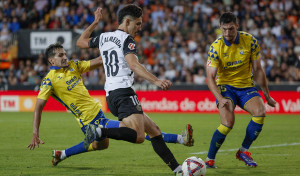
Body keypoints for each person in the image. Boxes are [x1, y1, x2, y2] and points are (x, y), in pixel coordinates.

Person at [27, 43, 194, 167]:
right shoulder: (49, 80)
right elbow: (38, 107)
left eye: (64, 53)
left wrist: (116, 50)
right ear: (51, 60)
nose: (64, 57)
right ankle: (180, 139)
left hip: (98, 114)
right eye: (60, 55)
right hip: (88, 121)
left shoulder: (73, 66)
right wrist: (35, 132)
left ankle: (61, 154)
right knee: (135, 131)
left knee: (105, 143)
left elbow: (99, 60)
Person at [76, 5, 187, 175]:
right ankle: (99, 131)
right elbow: (133, 64)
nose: (140, 28)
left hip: (111, 95)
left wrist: (95, 22)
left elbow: (81, 42)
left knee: (155, 131)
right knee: (139, 136)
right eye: (138, 23)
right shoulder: (127, 40)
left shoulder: (104, 37)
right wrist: (156, 81)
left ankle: (178, 170)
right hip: (124, 93)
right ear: (127, 21)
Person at [205, 12, 277, 168]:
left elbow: (258, 70)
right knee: (228, 123)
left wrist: (267, 96)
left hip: (245, 86)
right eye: (224, 29)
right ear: (220, 28)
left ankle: (243, 151)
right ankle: (210, 159)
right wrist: (220, 98)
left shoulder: (250, 41)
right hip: (225, 87)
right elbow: (210, 78)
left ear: (237, 26)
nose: (227, 33)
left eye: (231, 29)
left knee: (260, 111)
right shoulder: (216, 47)